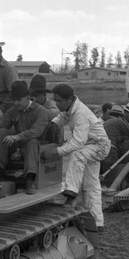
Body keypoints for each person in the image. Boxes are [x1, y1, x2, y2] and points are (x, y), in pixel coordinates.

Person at [43, 83, 110, 233]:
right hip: (90, 145)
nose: (57, 104)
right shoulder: (69, 109)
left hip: (99, 146)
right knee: (92, 185)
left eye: (59, 101)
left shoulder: (80, 113)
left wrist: (56, 152)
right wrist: (54, 124)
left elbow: (78, 142)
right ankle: (97, 223)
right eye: (56, 101)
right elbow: (62, 117)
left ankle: (71, 192)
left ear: (70, 99)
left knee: (77, 154)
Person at [0, 81, 49, 194]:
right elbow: (1, 125)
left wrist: (17, 137)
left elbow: (37, 131)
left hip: (36, 146)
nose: (15, 103)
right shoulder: (12, 111)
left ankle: (29, 178)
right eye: (14, 100)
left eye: (19, 100)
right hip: (19, 143)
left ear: (27, 98)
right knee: (2, 132)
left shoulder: (41, 111)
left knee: (32, 141)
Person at [101, 104, 129, 172]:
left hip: (103, 149)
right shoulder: (119, 122)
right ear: (120, 115)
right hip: (111, 151)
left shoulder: (106, 122)